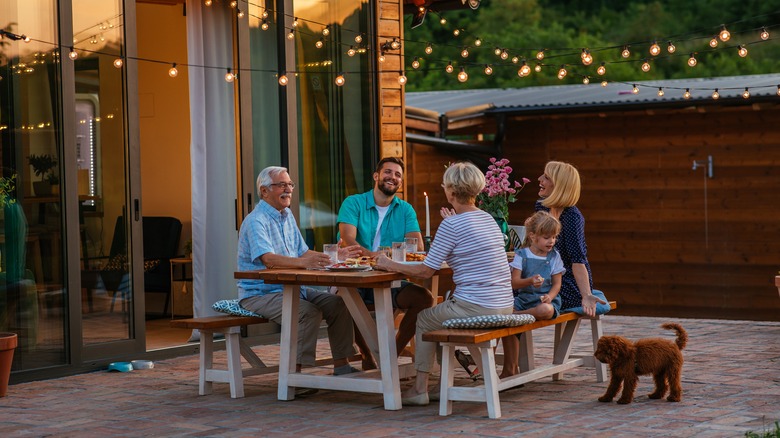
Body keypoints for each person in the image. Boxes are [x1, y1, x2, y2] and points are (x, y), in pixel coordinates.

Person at [374, 161, 514, 406]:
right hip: (504, 304)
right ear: (477, 190)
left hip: (477, 307)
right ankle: (441, 385)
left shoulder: (452, 224)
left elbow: (427, 270)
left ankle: (419, 389)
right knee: (439, 315)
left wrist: (389, 264)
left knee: (425, 318)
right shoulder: (489, 220)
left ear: (450, 191)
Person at [237, 166, 362, 380]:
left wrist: (334, 256)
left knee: (338, 304)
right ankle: (295, 376)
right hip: (259, 294)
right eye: (282, 185)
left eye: (290, 184)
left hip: (294, 289)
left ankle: (342, 366)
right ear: (264, 191)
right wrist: (305, 263)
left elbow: (303, 252)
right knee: (306, 312)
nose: (288, 189)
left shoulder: (287, 215)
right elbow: (269, 260)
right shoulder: (256, 220)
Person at [337, 157, 434, 369]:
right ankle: (367, 356)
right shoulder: (353, 203)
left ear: (401, 182)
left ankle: (390, 357)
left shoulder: (405, 209)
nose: (393, 177)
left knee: (424, 298)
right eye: (388, 172)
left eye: (398, 174)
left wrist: (388, 260)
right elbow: (348, 240)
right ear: (376, 176)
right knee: (344, 301)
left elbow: (415, 245)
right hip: (356, 276)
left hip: (389, 279)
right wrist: (378, 258)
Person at [535, 161, 608, 317]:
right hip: (544, 273)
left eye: (546, 177)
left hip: (567, 281)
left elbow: (578, 260)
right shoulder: (542, 207)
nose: (540, 179)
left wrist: (586, 295)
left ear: (559, 185)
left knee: (523, 297)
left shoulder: (572, 217)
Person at [499, 210, 565, 378]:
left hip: (544, 300)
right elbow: (514, 282)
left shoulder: (554, 257)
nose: (552, 241)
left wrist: (550, 296)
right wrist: (529, 281)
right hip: (524, 298)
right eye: (547, 237)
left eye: (554, 237)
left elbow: (557, 284)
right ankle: (510, 368)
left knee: (546, 311)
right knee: (504, 316)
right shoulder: (522, 255)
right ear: (533, 236)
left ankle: (519, 315)